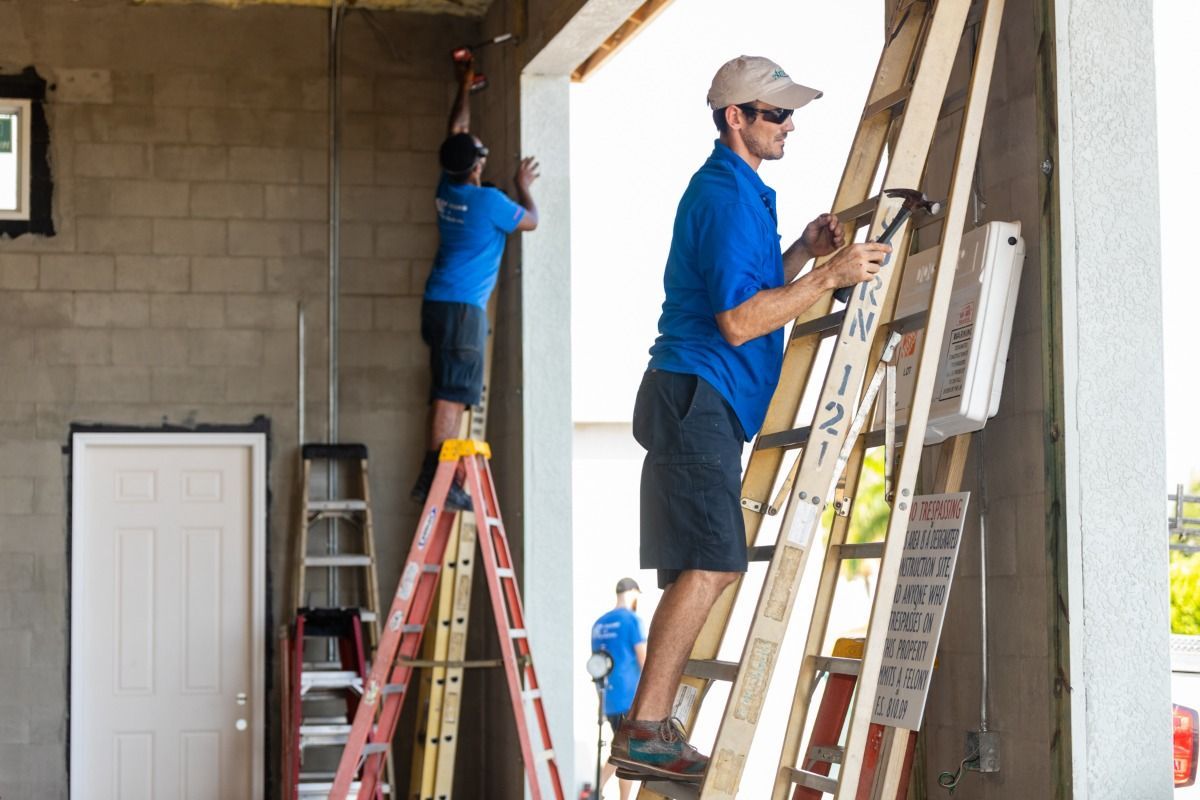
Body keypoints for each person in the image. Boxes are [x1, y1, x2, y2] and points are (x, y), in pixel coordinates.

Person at [608, 55, 892, 783]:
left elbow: (745, 290)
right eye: (774, 114)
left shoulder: (741, 192)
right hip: (698, 393)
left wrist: (800, 252)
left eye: (789, 113)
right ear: (735, 118)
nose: (789, 124)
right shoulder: (727, 196)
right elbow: (738, 320)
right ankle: (644, 729)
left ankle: (650, 723)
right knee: (712, 563)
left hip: (701, 399)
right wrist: (830, 275)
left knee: (698, 566)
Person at [410, 55, 540, 510]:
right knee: (452, 395)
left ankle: (439, 475)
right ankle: (437, 480)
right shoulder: (488, 202)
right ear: (477, 168)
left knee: (448, 392)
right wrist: (524, 185)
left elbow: (456, 134)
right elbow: (531, 222)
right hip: (463, 309)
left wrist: (464, 86)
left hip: (438, 303)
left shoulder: (447, 188)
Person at [591, 578, 648, 800]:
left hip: (608, 697)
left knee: (620, 746)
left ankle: (598, 789)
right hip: (629, 696)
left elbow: (597, 664)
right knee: (629, 754)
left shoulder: (599, 624)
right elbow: (645, 661)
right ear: (633, 593)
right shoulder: (631, 620)